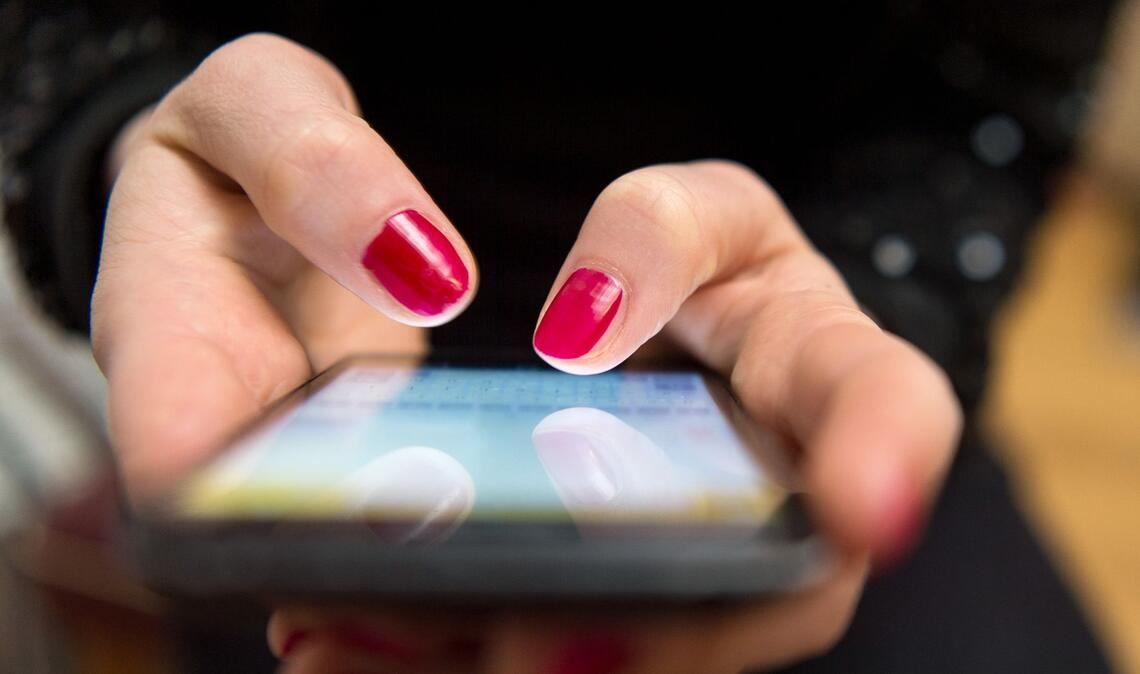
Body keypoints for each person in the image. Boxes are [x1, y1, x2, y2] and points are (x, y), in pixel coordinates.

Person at [0, 2, 1115, 672]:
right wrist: (146, 140)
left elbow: (985, 109)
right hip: (315, 351)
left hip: (761, 346)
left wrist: (863, 294)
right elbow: (66, 25)